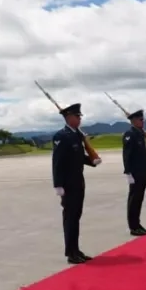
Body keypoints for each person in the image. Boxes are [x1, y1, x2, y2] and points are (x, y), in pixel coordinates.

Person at [52, 103, 103, 264]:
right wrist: (58, 185)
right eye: (77, 116)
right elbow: (58, 162)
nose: (79, 119)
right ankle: (71, 253)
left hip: (78, 182)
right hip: (67, 185)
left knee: (76, 217)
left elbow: (78, 157)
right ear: (68, 118)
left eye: (80, 116)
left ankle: (76, 249)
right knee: (70, 218)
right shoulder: (61, 136)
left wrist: (92, 161)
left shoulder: (76, 135)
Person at [122, 109, 146, 236]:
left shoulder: (140, 134)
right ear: (134, 121)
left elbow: (142, 154)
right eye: (140, 120)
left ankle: (138, 224)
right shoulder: (130, 134)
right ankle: (133, 227)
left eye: (143, 119)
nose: (143, 121)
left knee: (139, 199)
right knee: (134, 200)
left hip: (142, 172)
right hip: (134, 173)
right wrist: (128, 173)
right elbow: (127, 156)